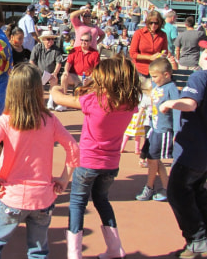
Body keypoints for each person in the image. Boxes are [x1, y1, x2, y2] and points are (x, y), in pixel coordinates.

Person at [0, 63, 80, 259]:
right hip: (43, 197)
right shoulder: (49, 120)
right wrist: (64, 179)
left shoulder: (5, 121)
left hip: (11, 196)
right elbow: (73, 149)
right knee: (38, 250)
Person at [51, 54, 141, 259]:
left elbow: (58, 98)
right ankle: (115, 248)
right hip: (111, 164)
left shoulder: (95, 101)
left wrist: (55, 86)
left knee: (77, 203)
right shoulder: (130, 103)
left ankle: (74, 253)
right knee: (102, 200)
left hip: (88, 162)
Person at [159, 40, 207, 257]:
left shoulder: (200, 77)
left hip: (193, 149)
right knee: (196, 191)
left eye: (204, 50)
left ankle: (197, 239)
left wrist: (170, 104)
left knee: (177, 192)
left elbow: (190, 104)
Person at [135, 58, 180, 202]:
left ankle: (150, 187)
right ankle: (166, 188)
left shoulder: (171, 88)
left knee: (153, 159)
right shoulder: (156, 85)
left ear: (166, 75)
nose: (152, 79)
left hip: (164, 130)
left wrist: (177, 131)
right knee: (152, 159)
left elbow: (177, 111)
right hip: (154, 128)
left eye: (155, 76)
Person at [29, 30, 63, 110]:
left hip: (50, 73)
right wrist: (37, 70)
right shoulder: (37, 47)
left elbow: (59, 63)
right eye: (48, 39)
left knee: (54, 79)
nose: (51, 41)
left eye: (52, 39)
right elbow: (31, 61)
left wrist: (55, 73)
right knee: (33, 80)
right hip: (38, 72)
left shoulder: (56, 49)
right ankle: (35, 102)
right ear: (43, 40)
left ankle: (50, 102)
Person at [129, 10, 168, 77]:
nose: (153, 25)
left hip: (156, 70)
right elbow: (132, 54)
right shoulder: (139, 33)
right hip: (140, 70)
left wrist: (162, 55)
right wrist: (149, 57)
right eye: (151, 23)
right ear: (147, 22)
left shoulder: (163, 35)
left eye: (156, 23)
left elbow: (165, 51)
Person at [121, 78, 152, 155]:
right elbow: (141, 110)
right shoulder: (145, 96)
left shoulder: (135, 94)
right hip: (139, 117)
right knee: (137, 135)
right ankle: (136, 149)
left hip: (133, 115)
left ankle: (122, 147)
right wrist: (137, 121)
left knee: (127, 133)